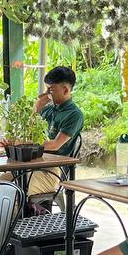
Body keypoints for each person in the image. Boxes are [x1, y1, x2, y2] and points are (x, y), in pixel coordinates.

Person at [21, 66, 85, 199]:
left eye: (51, 90)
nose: (46, 94)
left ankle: (25, 219)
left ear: (66, 90)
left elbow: (55, 145)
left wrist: (26, 143)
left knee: (20, 192)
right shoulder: (46, 110)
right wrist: (36, 110)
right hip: (33, 164)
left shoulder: (74, 114)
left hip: (55, 170)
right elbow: (27, 134)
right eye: (46, 89)